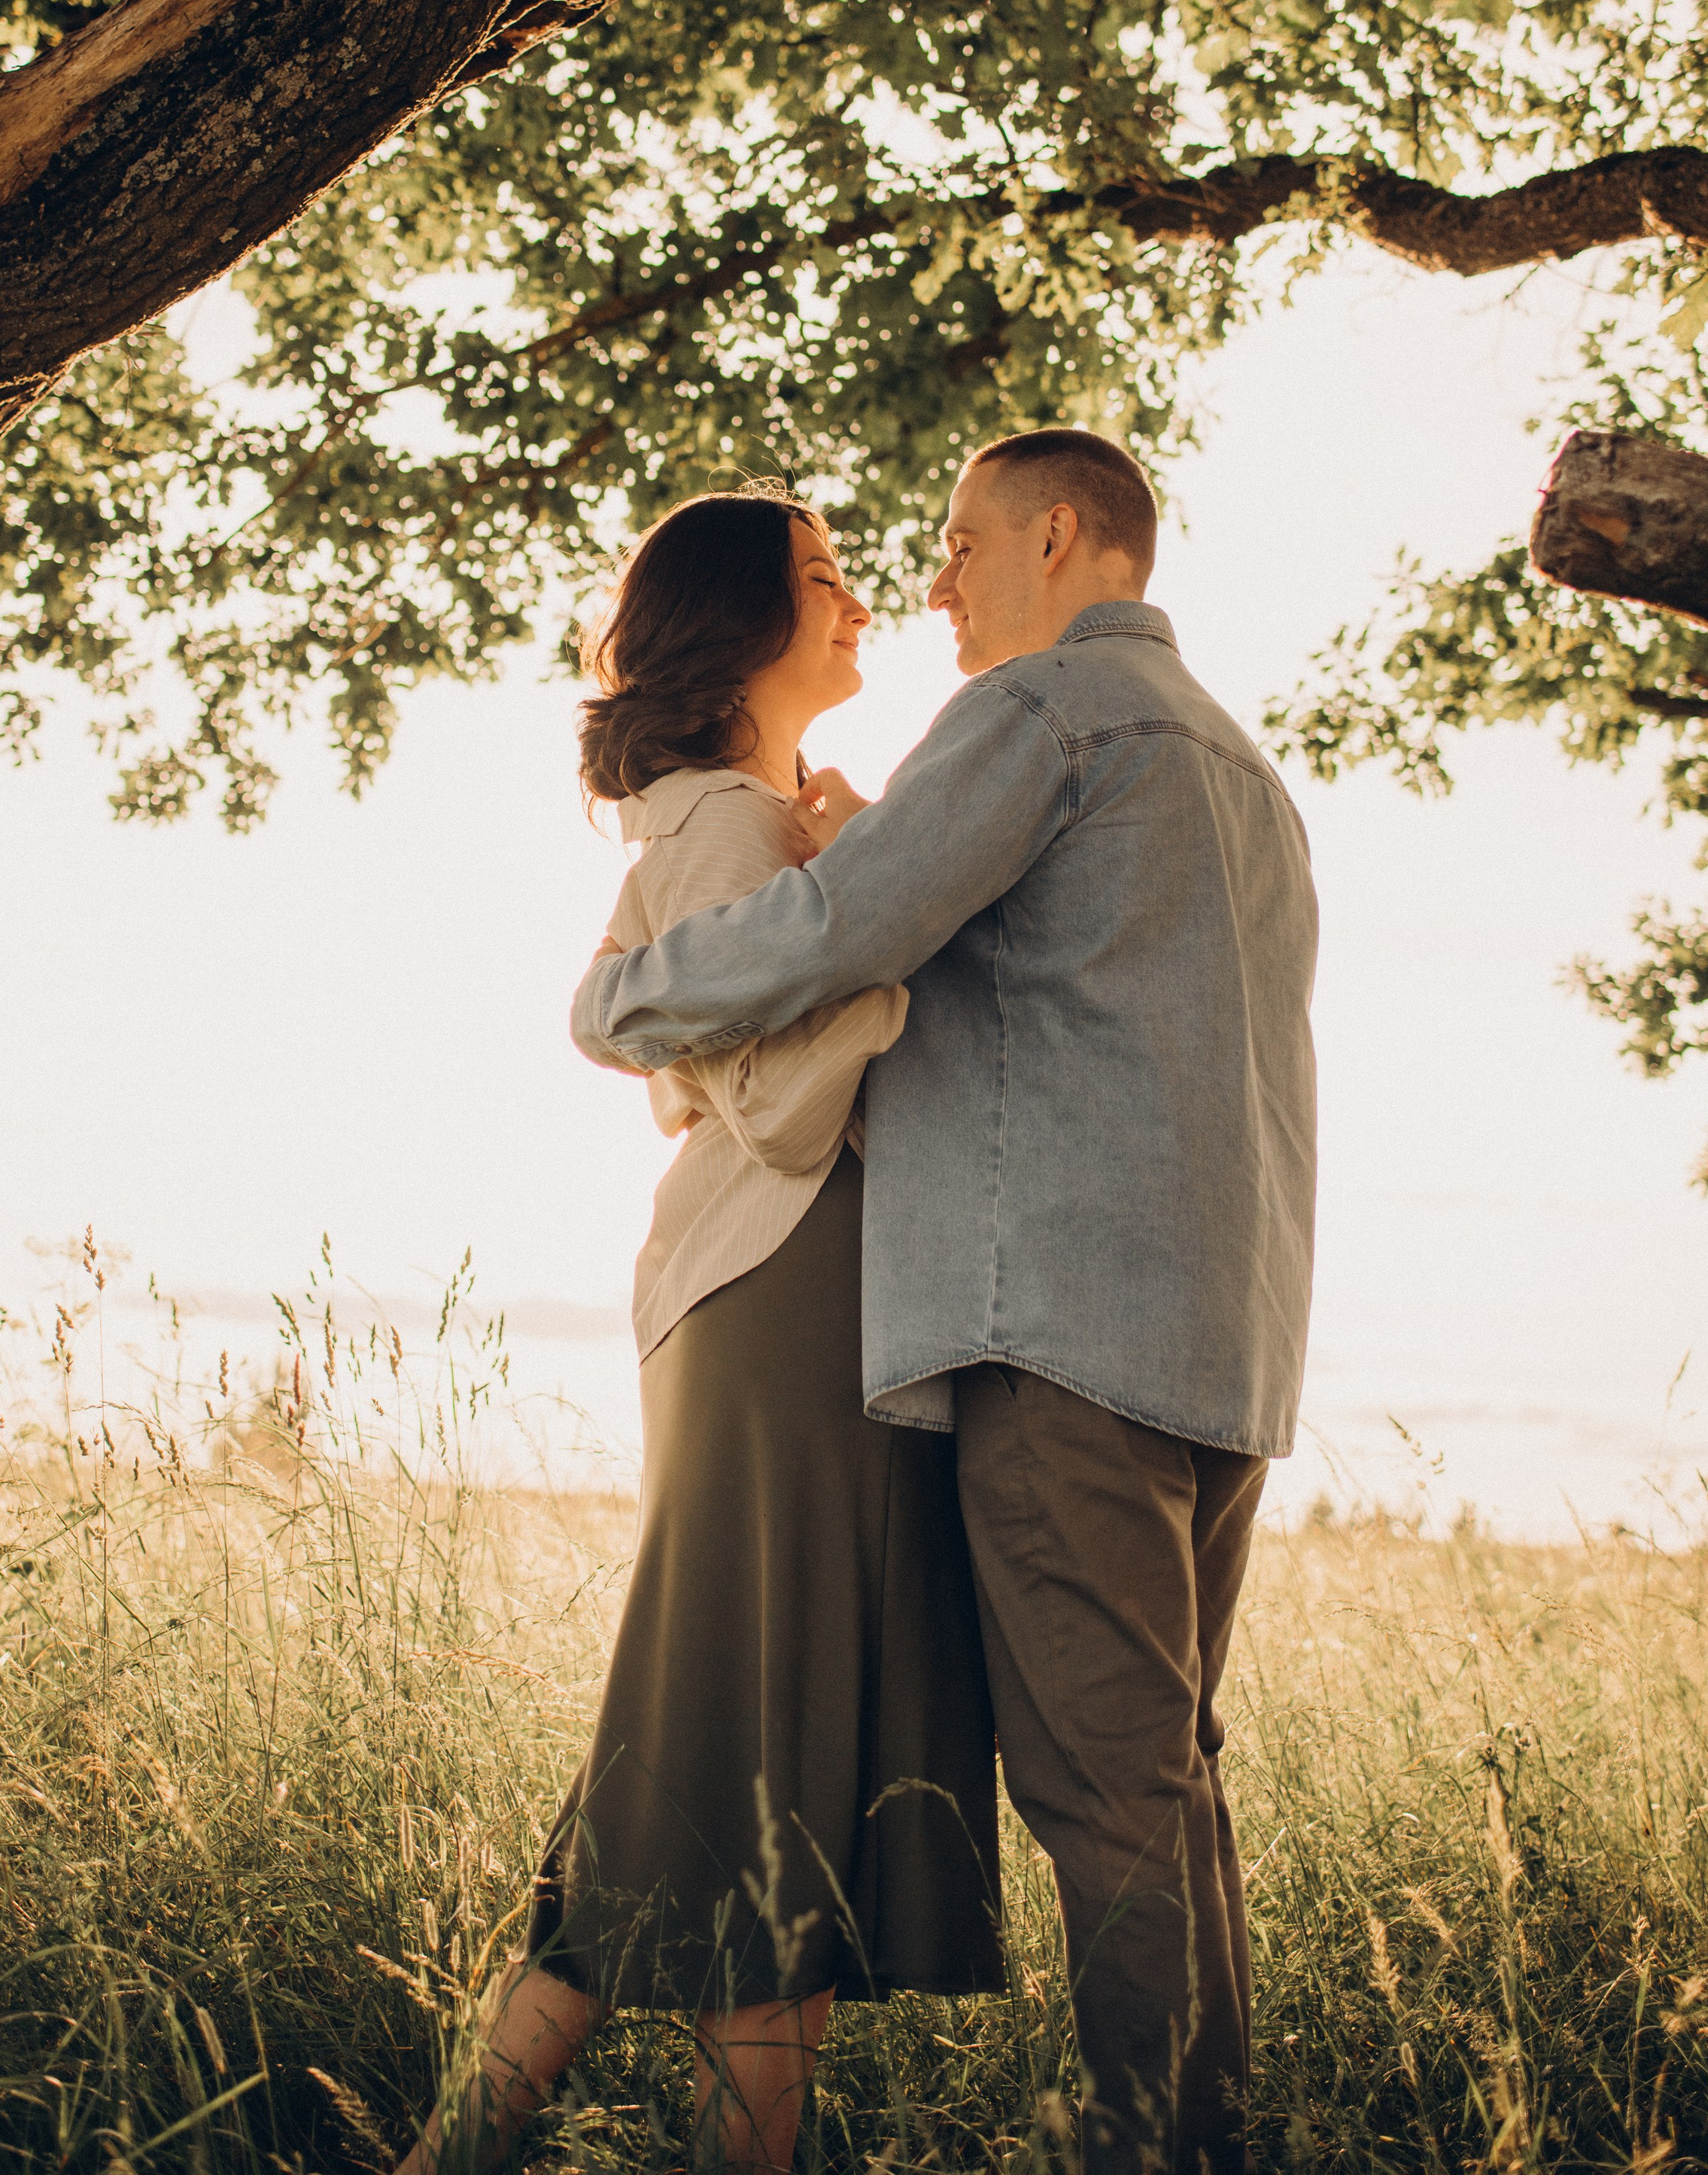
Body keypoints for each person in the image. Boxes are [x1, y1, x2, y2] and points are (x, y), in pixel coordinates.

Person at [573, 430, 1319, 2175]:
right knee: (1167, 1775)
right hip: (1223, 1342)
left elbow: (832, 933)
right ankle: (1190, 2134)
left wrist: (620, 1001)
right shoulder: (1236, 770)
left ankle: (1162, 2153)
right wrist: (875, 839)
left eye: (956, 546)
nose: (930, 586)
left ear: (1054, 535)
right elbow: (1044, 974)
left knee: (1101, 1796)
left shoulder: (1037, 717)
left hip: (1053, 1334)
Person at [397, 489, 1002, 2175]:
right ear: (739, 624)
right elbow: (764, 1093)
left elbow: (661, 1042)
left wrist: (857, 875)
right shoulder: (735, 821)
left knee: (726, 1730)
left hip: (765, 1295)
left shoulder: (724, 815)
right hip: (786, 1288)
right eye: (820, 578)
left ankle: (462, 2150)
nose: (861, 598)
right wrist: (887, 935)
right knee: (768, 1732)